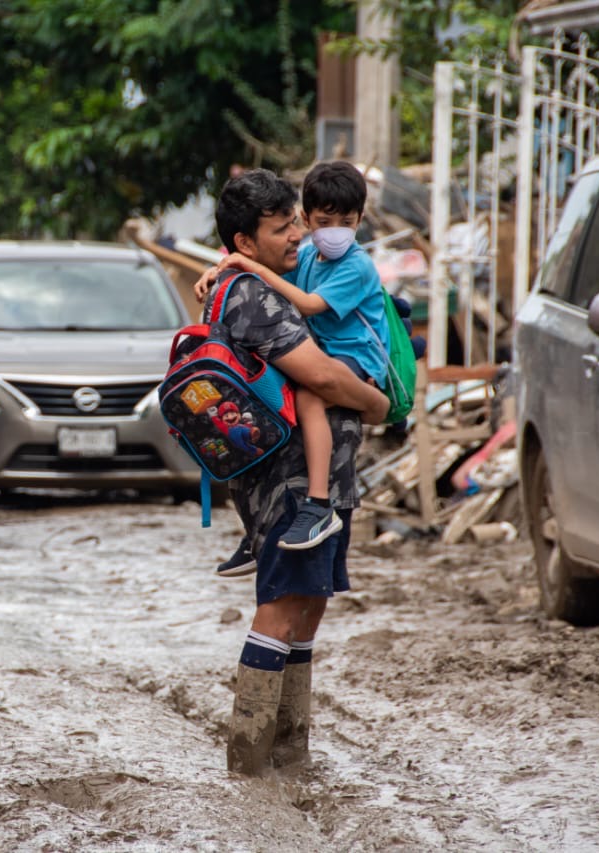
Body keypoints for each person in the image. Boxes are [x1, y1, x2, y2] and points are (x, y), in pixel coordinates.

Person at [204, 168, 389, 775]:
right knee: (283, 604)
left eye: (294, 223)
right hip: (291, 483)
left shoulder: (256, 276)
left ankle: (287, 751)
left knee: (308, 602)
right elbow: (323, 376)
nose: (297, 237)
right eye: (282, 228)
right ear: (244, 243)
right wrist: (379, 404)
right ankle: (251, 764)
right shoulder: (255, 294)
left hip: (317, 476)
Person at [206, 161, 390, 555]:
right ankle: (263, 530)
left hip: (355, 358)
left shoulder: (356, 264)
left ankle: (319, 503)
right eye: (325, 220)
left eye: (348, 221)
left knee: (309, 395)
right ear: (308, 219)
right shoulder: (307, 260)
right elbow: (272, 281)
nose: (336, 230)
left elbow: (306, 305)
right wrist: (222, 266)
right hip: (325, 369)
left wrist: (245, 265)